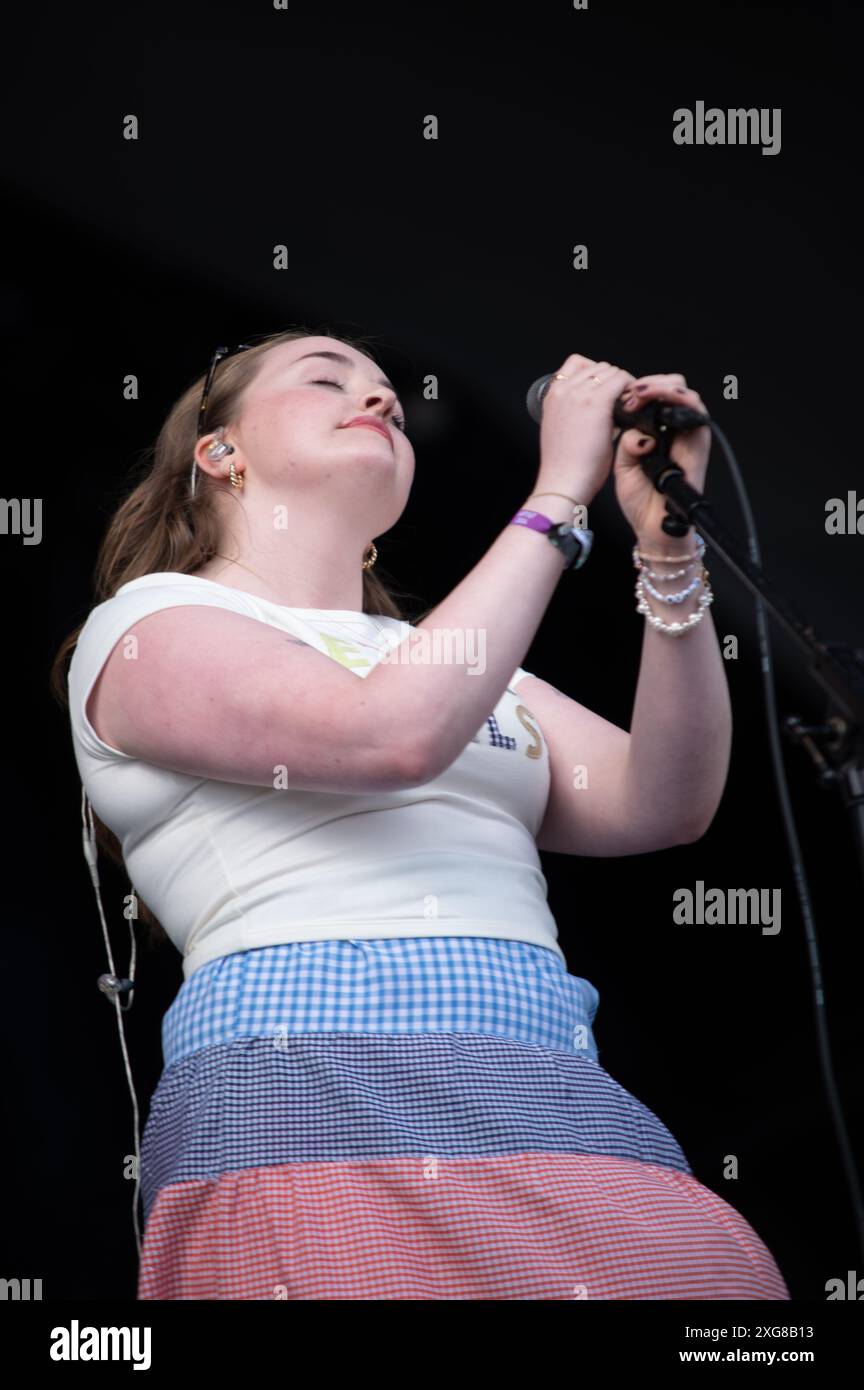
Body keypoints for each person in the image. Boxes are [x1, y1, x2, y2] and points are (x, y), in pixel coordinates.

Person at [52, 326, 789, 1300]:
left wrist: (666, 552)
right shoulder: (144, 628)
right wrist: (558, 498)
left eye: (392, 391)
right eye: (328, 378)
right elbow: (387, 735)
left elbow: (663, 798)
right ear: (217, 451)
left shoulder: (448, 656)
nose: (380, 398)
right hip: (313, 1077)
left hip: (547, 1071)